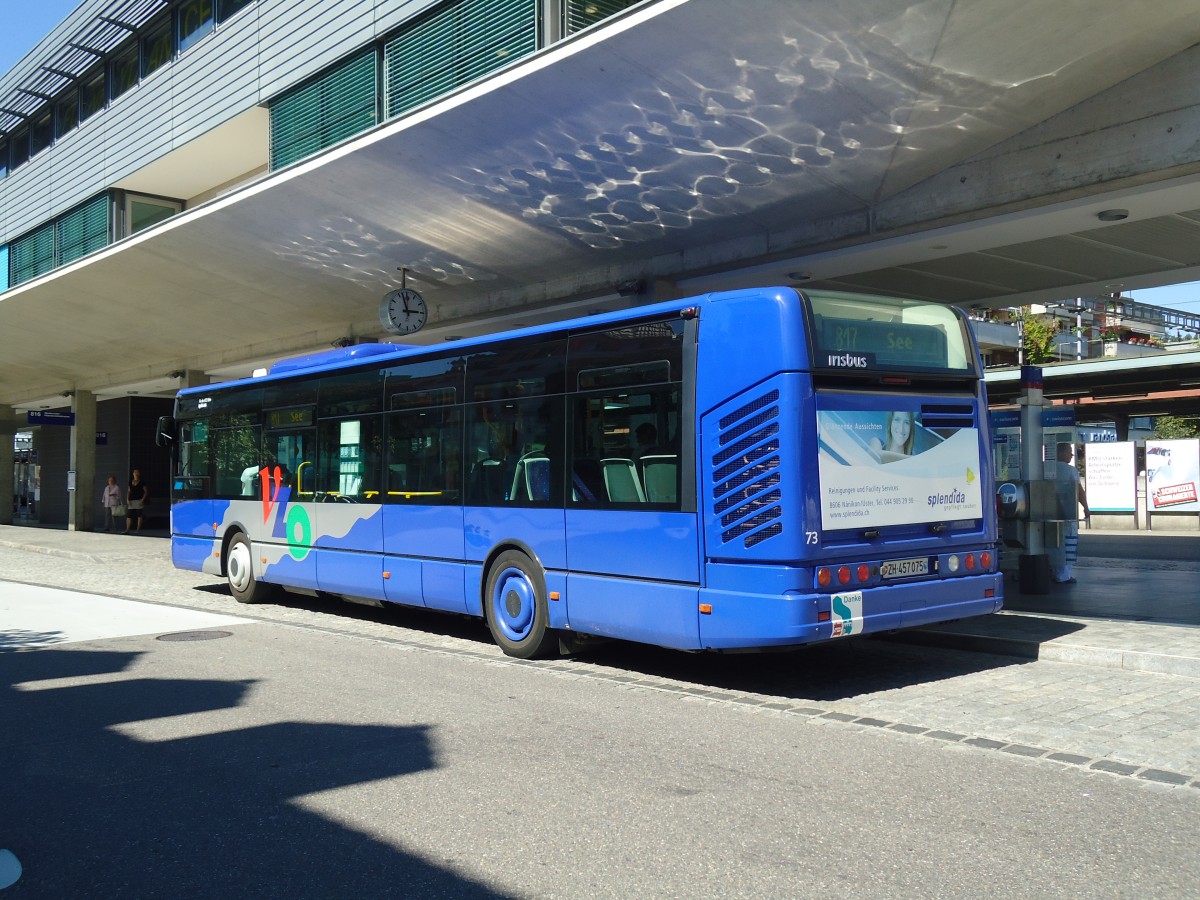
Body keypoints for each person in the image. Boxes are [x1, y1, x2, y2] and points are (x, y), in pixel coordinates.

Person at [1050, 443, 1090, 584]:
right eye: (1070, 452)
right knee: (1068, 543)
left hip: (1048, 513)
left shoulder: (1044, 468)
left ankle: (1052, 571)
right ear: (1061, 453)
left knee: (1052, 543)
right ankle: (1063, 575)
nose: (1072, 455)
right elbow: (1079, 490)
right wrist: (1086, 507)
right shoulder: (1070, 470)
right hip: (1068, 513)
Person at [124, 469, 149, 535]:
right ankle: (127, 529)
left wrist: (143, 499)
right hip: (131, 500)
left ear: (139, 474)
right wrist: (127, 499)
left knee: (139, 515)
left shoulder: (142, 482)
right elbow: (129, 491)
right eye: (135, 472)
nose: (136, 473)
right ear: (133, 474)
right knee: (129, 515)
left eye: (137, 472)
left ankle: (138, 529)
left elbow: (146, 492)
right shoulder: (130, 482)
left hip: (139, 500)